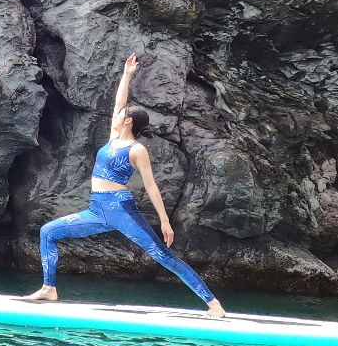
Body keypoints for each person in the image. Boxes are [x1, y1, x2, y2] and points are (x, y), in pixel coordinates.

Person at [25, 52, 227, 317]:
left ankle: (214, 304)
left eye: (121, 115)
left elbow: (151, 186)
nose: (116, 115)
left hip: (121, 210)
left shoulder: (136, 149)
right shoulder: (113, 138)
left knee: (162, 256)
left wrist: (165, 221)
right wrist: (127, 74)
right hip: (97, 210)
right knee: (48, 231)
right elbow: (119, 101)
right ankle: (49, 288)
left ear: (128, 120)